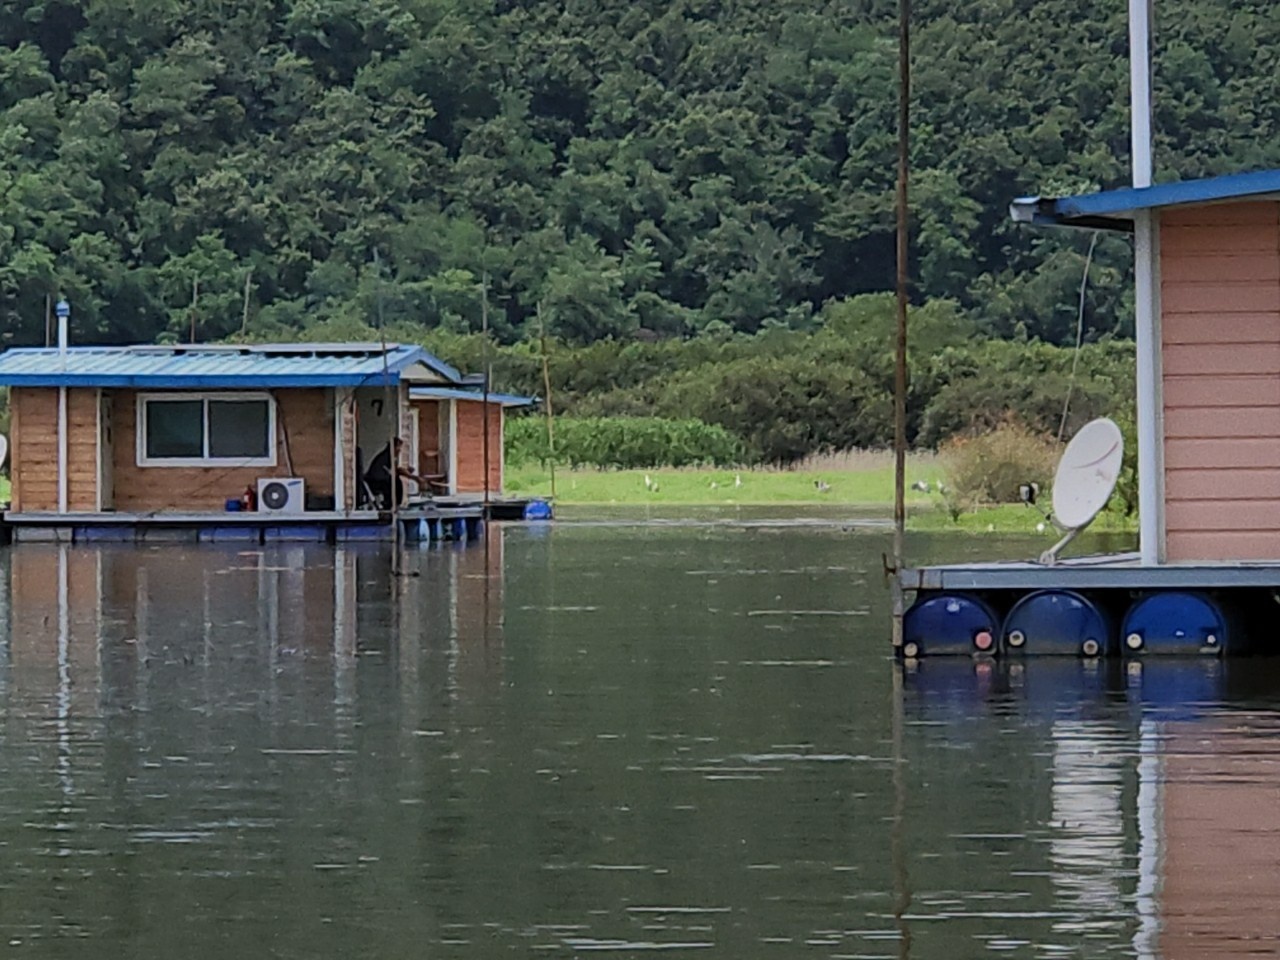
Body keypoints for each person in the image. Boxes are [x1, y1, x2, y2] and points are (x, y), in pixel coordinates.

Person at [364, 437, 426, 508]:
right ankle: (392, 505)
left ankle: (393, 504)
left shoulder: (389, 456)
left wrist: (407, 472)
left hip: (380, 481)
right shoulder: (387, 456)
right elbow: (397, 471)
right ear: (393, 447)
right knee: (396, 481)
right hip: (376, 482)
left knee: (395, 480)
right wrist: (415, 478)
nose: (400, 450)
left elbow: (396, 470)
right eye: (398, 448)